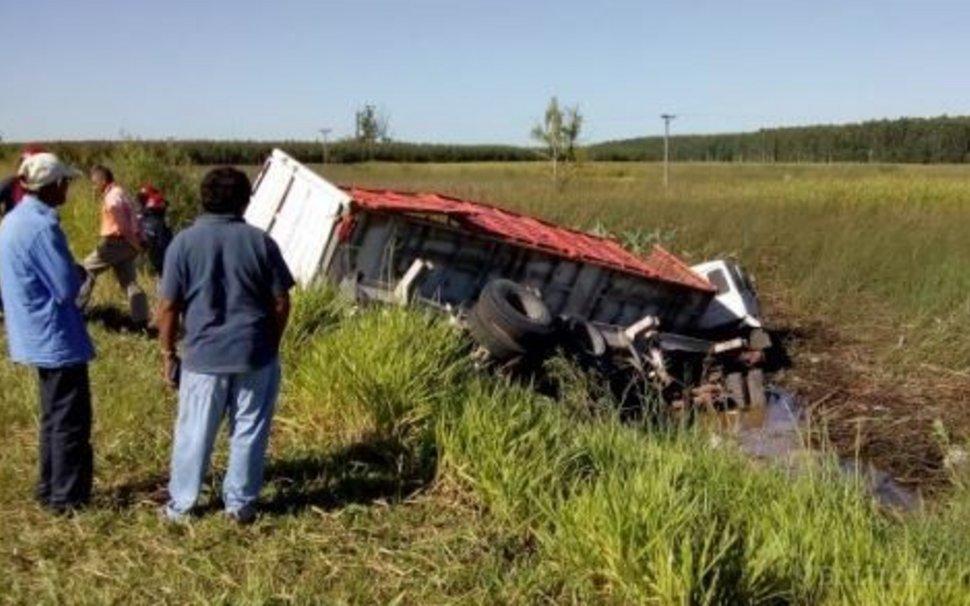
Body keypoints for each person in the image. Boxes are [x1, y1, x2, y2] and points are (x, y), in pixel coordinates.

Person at [158, 167, 294, 524]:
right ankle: (240, 505)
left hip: (202, 357)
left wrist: (168, 353)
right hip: (254, 354)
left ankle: (182, 505)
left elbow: (168, 307)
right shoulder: (261, 242)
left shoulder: (182, 243)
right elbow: (281, 302)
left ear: (204, 199)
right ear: (245, 201)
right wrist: (270, 342)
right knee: (248, 429)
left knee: (194, 433)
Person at [0, 153, 95, 513]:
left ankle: (49, 488)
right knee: (70, 421)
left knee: (54, 417)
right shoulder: (42, 227)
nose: (67, 189)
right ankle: (66, 498)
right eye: (65, 183)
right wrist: (80, 273)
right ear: (52, 185)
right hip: (55, 338)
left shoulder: (13, 219)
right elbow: (65, 286)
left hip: (34, 334)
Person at [76, 165, 149, 328]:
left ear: (103, 181)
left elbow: (123, 227)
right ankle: (141, 319)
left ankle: (76, 311)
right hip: (127, 244)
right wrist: (137, 244)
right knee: (129, 281)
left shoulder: (112, 198)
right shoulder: (121, 192)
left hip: (118, 243)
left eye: (95, 183)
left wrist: (134, 244)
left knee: (86, 268)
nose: (93, 187)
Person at [136, 184, 173, 276]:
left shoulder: (143, 219)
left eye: (144, 199)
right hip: (155, 262)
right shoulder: (144, 219)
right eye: (141, 199)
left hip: (151, 261)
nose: (142, 202)